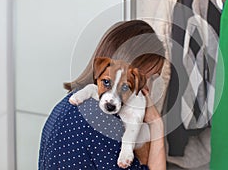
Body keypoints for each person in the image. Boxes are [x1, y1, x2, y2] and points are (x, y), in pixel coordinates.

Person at [38, 20, 167, 170]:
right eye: (146, 78)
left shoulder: (70, 102)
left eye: (153, 79)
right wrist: (157, 124)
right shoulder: (104, 123)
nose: (147, 90)